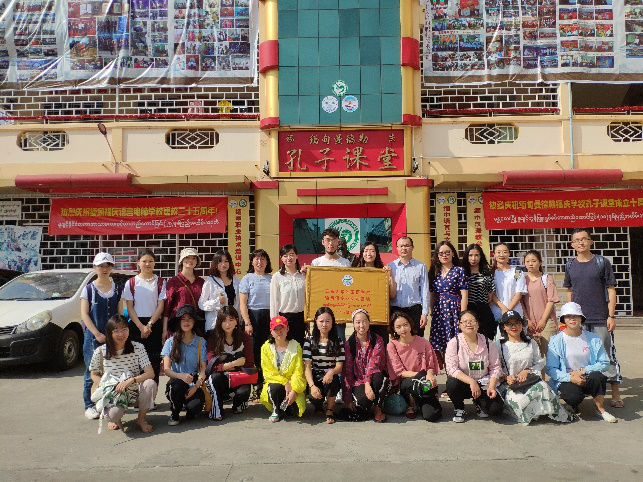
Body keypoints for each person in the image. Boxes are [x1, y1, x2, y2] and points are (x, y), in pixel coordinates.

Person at [563, 228, 623, 408]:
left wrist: (610, 315)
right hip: (579, 320)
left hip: (600, 317)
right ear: (572, 244)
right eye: (577, 240)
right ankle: (585, 389)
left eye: (584, 239)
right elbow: (570, 291)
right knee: (580, 355)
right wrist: (569, 315)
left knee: (606, 355)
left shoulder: (601, 262)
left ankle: (615, 393)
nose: (581, 242)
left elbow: (611, 290)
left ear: (591, 242)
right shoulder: (570, 265)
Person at [496, 310, 573, 426]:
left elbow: (539, 362)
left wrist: (527, 371)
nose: (514, 327)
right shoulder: (499, 345)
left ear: (522, 324)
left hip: (529, 381)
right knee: (520, 402)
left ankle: (543, 411)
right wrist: (506, 377)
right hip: (509, 385)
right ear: (504, 327)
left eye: (517, 323)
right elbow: (494, 366)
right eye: (509, 324)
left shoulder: (531, 342)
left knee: (543, 387)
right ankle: (531, 411)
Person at [546, 302, 617, 422]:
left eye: (576, 316)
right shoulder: (555, 340)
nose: (572, 319)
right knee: (572, 396)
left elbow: (604, 362)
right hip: (567, 377)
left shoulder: (593, 338)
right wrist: (570, 378)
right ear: (563, 319)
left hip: (588, 375)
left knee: (598, 377)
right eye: (568, 316)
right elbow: (551, 368)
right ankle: (572, 405)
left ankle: (601, 409)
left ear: (581, 318)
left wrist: (584, 371)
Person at [89, 315, 157, 433]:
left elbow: (150, 373)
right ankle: (115, 419)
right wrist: (108, 386)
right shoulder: (100, 351)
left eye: (124, 329)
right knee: (113, 415)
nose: (121, 334)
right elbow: (93, 374)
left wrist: (131, 381)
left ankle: (141, 419)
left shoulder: (138, 347)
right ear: (109, 333)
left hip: (133, 390)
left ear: (129, 330)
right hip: (112, 393)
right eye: (116, 331)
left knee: (150, 384)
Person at [81, 252, 124, 420]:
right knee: (91, 372)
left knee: (112, 371)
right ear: (95, 267)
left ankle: (110, 403)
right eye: (101, 266)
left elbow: (119, 314)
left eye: (108, 266)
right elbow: (84, 314)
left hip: (113, 338)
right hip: (93, 337)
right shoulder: (89, 289)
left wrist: (120, 333)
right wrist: (97, 333)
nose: (104, 269)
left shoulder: (118, 288)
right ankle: (89, 405)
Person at [445, 310, 503, 423]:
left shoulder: (488, 343)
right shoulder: (454, 343)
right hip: (463, 384)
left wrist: (491, 387)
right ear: (459, 325)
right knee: (452, 383)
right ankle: (459, 408)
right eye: (465, 321)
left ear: (478, 324)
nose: (469, 324)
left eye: (472, 321)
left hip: (483, 384)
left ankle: (478, 403)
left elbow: (495, 367)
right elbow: (452, 369)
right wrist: (472, 382)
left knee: (496, 410)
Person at [387, 311, 442, 422]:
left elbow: (431, 366)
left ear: (411, 324)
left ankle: (423, 400)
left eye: (405, 325)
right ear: (394, 329)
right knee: (413, 383)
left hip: (425, 382)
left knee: (432, 415)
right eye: (398, 327)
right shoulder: (392, 346)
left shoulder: (423, 342)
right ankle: (413, 403)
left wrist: (429, 374)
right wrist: (422, 375)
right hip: (406, 384)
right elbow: (400, 372)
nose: (403, 329)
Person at [123, 249, 166, 386]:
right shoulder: (131, 282)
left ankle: (151, 393)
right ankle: (136, 394)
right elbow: (130, 307)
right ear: (138, 263)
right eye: (144, 261)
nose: (147, 264)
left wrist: (149, 325)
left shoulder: (160, 282)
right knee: (136, 361)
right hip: (136, 324)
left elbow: (160, 306)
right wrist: (141, 327)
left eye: (150, 261)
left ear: (154, 263)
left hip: (154, 324)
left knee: (154, 361)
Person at [205, 306, 255, 421]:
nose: (228, 324)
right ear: (219, 322)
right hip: (221, 377)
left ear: (237, 320)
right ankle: (217, 410)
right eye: (224, 320)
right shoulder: (213, 339)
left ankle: (238, 402)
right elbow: (211, 366)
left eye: (231, 320)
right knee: (214, 377)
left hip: (239, 376)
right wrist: (234, 363)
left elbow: (249, 363)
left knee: (244, 392)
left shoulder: (244, 337)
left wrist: (225, 366)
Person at [161, 304, 208, 426]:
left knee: (194, 409)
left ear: (194, 321)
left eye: (189, 319)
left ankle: (186, 405)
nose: (186, 322)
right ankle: (175, 412)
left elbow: (203, 369)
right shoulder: (170, 342)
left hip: (195, 381)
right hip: (177, 380)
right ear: (178, 322)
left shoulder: (201, 342)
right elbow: (166, 370)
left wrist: (196, 386)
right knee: (175, 386)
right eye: (183, 319)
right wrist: (180, 376)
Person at [303, 228, 351, 341]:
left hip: (339, 312)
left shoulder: (345, 263)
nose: (331, 243)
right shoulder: (316, 263)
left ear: (338, 242)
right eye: (328, 240)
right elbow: (313, 288)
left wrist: (345, 313)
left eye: (333, 240)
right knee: (319, 342)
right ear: (323, 242)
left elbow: (348, 288)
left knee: (339, 342)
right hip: (321, 311)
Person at [342, 309, 388, 421]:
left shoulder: (377, 340)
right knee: (363, 401)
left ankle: (377, 407)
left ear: (369, 322)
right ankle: (368, 405)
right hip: (359, 381)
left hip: (373, 378)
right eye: (358, 322)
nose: (361, 325)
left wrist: (367, 383)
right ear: (353, 324)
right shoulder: (349, 344)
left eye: (364, 322)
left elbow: (374, 364)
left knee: (379, 378)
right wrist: (348, 399)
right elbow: (347, 372)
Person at [428, 241, 468, 367]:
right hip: (439, 311)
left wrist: (463, 315)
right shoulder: (434, 272)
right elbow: (432, 294)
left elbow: (464, 294)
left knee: (455, 342)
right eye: (441, 253)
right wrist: (431, 310)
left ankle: (454, 372)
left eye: (447, 252)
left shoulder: (459, 270)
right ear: (437, 255)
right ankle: (447, 369)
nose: (444, 255)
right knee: (438, 343)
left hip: (454, 310)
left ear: (453, 254)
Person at [260, 315, 306, 422]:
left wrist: (294, 390)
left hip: (293, 384)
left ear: (287, 329)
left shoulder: (296, 346)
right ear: (271, 331)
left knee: (295, 411)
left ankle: (287, 406)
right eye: (275, 329)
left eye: (282, 328)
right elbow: (268, 372)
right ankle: (276, 409)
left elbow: (298, 371)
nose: (279, 332)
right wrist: (285, 382)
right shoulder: (266, 347)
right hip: (276, 383)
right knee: (274, 388)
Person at [303, 307, 345, 424]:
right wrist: (312, 386)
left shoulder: (338, 341)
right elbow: (307, 367)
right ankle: (318, 405)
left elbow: (339, 366)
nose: (324, 324)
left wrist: (331, 372)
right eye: (321, 321)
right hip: (316, 374)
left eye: (327, 321)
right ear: (316, 321)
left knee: (333, 381)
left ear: (332, 322)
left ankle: (330, 409)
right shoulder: (309, 341)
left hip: (330, 375)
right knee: (313, 396)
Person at [239, 249, 273, 388]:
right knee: (252, 350)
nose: (260, 262)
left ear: (267, 262)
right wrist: (247, 323)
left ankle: (265, 382)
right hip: (253, 316)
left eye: (263, 259)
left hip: (269, 316)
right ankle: (252, 384)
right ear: (252, 262)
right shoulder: (247, 278)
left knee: (267, 350)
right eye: (257, 259)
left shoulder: (272, 278)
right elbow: (243, 303)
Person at [352, 241, 397, 343]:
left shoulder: (383, 271)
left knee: (380, 345)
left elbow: (392, 294)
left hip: (379, 317)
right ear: (362, 253)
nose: (369, 254)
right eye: (366, 251)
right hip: (361, 318)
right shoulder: (355, 272)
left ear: (376, 253)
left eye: (372, 251)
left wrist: (390, 276)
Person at [388, 236, 430, 338]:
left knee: (417, 341)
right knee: (398, 342)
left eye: (407, 245)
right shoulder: (390, 266)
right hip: (396, 311)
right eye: (401, 246)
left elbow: (425, 291)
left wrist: (424, 313)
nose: (404, 248)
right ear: (397, 248)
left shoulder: (420, 266)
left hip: (414, 311)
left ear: (412, 247)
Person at [521, 249, 559, 359]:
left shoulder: (547, 279)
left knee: (551, 355)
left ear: (540, 262)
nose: (530, 264)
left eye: (534, 261)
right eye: (528, 261)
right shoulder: (523, 280)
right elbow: (521, 302)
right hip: (530, 324)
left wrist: (543, 320)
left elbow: (551, 300)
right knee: (535, 358)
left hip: (547, 322)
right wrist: (527, 320)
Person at [163, 248, 205, 337]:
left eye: (194, 258)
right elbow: (167, 308)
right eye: (187, 257)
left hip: (196, 325)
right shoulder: (173, 281)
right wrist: (165, 330)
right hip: (178, 325)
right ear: (181, 260)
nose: (190, 260)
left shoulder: (201, 282)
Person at [270, 244, 306, 346]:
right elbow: (274, 301)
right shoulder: (277, 277)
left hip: (300, 317)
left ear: (297, 256)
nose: (289, 258)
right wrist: (274, 322)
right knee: (285, 346)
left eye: (291, 255)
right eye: (285, 255)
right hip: (284, 318)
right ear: (281, 258)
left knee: (299, 346)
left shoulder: (303, 276)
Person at [199, 249, 241, 333]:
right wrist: (217, 302)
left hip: (232, 325)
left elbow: (239, 304)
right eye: (220, 261)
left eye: (226, 261)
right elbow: (201, 304)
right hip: (215, 325)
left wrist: (239, 321)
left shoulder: (236, 280)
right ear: (215, 264)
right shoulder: (210, 281)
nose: (223, 264)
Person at [490, 243, 528, 337]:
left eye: (505, 252)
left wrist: (508, 310)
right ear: (494, 254)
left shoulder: (517, 271)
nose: (501, 254)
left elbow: (519, 293)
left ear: (509, 254)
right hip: (497, 312)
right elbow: (491, 294)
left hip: (515, 312)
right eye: (498, 252)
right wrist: (503, 308)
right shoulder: (490, 272)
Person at [461, 243, 496, 341]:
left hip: (484, 309)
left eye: (476, 255)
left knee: (486, 338)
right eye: (470, 255)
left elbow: (490, 292)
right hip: (469, 309)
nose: (473, 258)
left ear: (481, 256)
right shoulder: (462, 273)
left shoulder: (486, 273)